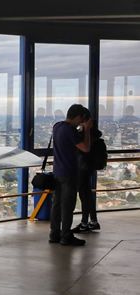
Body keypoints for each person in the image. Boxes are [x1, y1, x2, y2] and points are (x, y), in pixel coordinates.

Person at [49, 104, 92, 246]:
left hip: (57, 172)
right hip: (69, 173)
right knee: (67, 206)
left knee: (57, 204)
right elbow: (86, 148)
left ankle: (54, 234)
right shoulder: (69, 130)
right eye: (82, 119)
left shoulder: (57, 126)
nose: (81, 122)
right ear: (79, 116)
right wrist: (86, 130)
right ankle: (66, 235)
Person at [73, 110, 103, 233]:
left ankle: (85, 223)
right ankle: (93, 221)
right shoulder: (95, 135)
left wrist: (84, 130)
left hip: (82, 168)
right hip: (89, 168)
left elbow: (82, 149)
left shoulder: (84, 135)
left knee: (84, 195)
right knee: (87, 195)